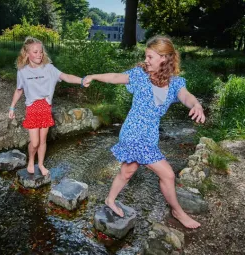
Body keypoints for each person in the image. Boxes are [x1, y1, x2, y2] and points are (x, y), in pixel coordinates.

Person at [83, 35, 205, 229]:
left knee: (128, 170)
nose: (146, 60)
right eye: (146, 56)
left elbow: (186, 96)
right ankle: (177, 211)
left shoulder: (175, 83)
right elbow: (116, 77)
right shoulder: (140, 75)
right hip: (133, 133)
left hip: (149, 136)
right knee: (167, 175)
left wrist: (196, 104)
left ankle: (110, 200)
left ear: (164, 58)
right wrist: (94, 76)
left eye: (150, 57)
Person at [9, 37, 87, 176]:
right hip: (32, 109)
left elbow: (66, 76)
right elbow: (19, 89)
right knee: (34, 142)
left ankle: (40, 164)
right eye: (35, 51)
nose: (39, 54)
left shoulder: (49, 68)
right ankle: (31, 160)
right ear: (27, 54)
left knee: (43, 140)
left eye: (41, 51)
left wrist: (81, 80)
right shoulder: (22, 71)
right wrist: (12, 107)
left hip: (45, 108)